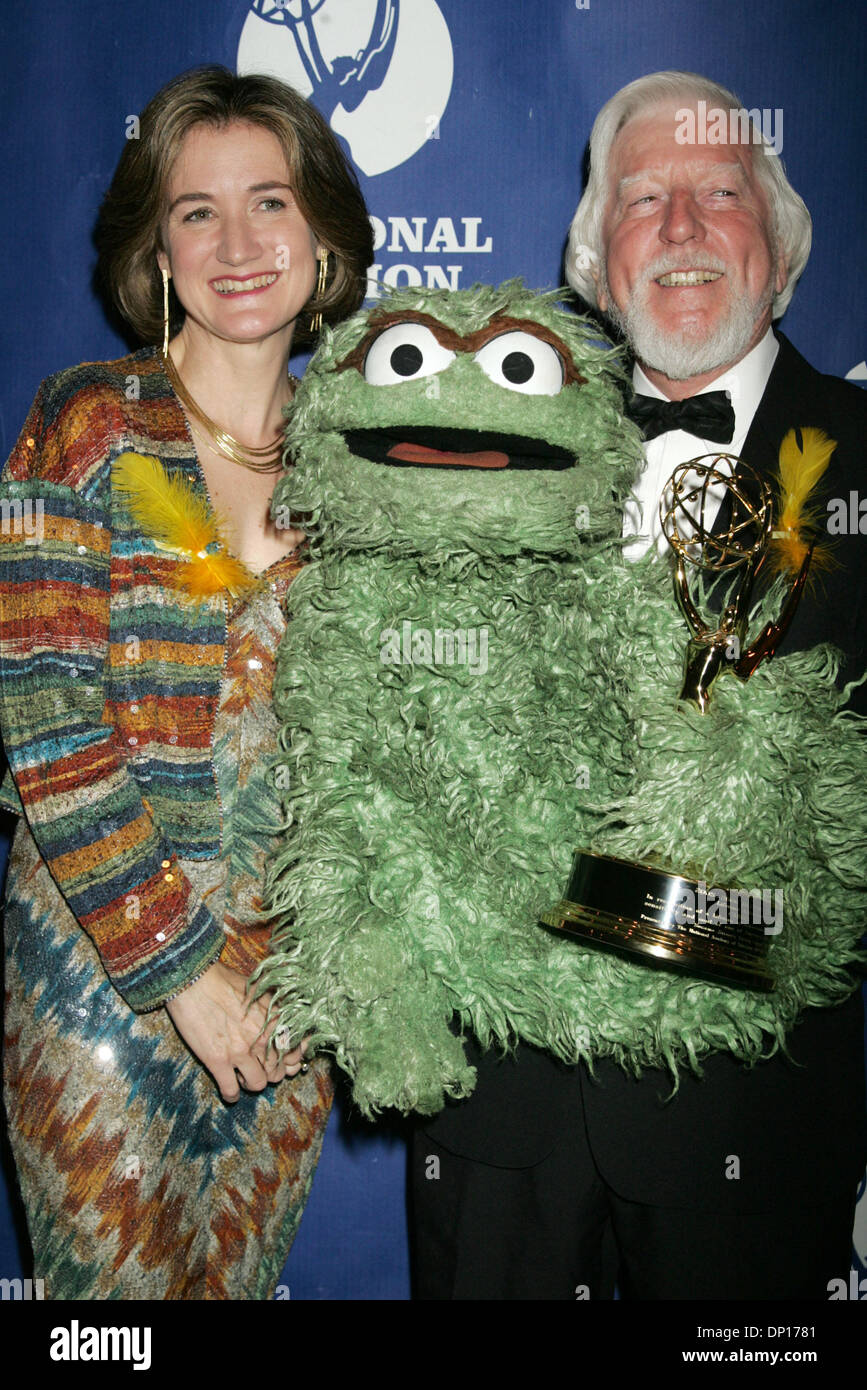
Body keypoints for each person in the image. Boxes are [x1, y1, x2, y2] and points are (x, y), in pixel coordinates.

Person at [412, 70, 867, 1300]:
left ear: (779, 250)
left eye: (720, 192)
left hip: (759, 1128)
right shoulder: (491, 455)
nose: (678, 228)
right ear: (595, 263)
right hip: (500, 1114)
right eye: (642, 199)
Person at [0, 64, 373, 1299]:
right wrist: (175, 968)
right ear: (157, 247)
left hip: (287, 993)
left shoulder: (366, 477)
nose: (237, 240)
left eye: (269, 200)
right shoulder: (90, 425)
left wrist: (326, 962)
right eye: (196, 210)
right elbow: (47, 721)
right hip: (102, 972)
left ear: (322, 236)